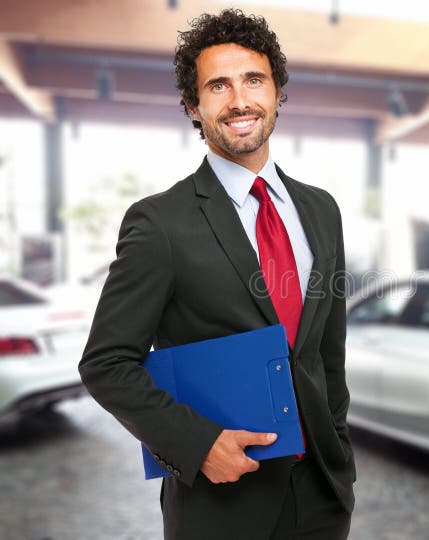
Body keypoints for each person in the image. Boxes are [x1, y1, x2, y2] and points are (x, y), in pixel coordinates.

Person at [79, 9, 355, 540]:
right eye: (218, 85)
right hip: (221, 506)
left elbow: (327, 353)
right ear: (193, 105)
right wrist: (198, 444)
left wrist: (339, 450)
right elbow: (106, 363)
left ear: (277, 93)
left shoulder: (322, 210)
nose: (239, 100)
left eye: (254, 80)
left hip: (322, 496)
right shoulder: (159, 222)